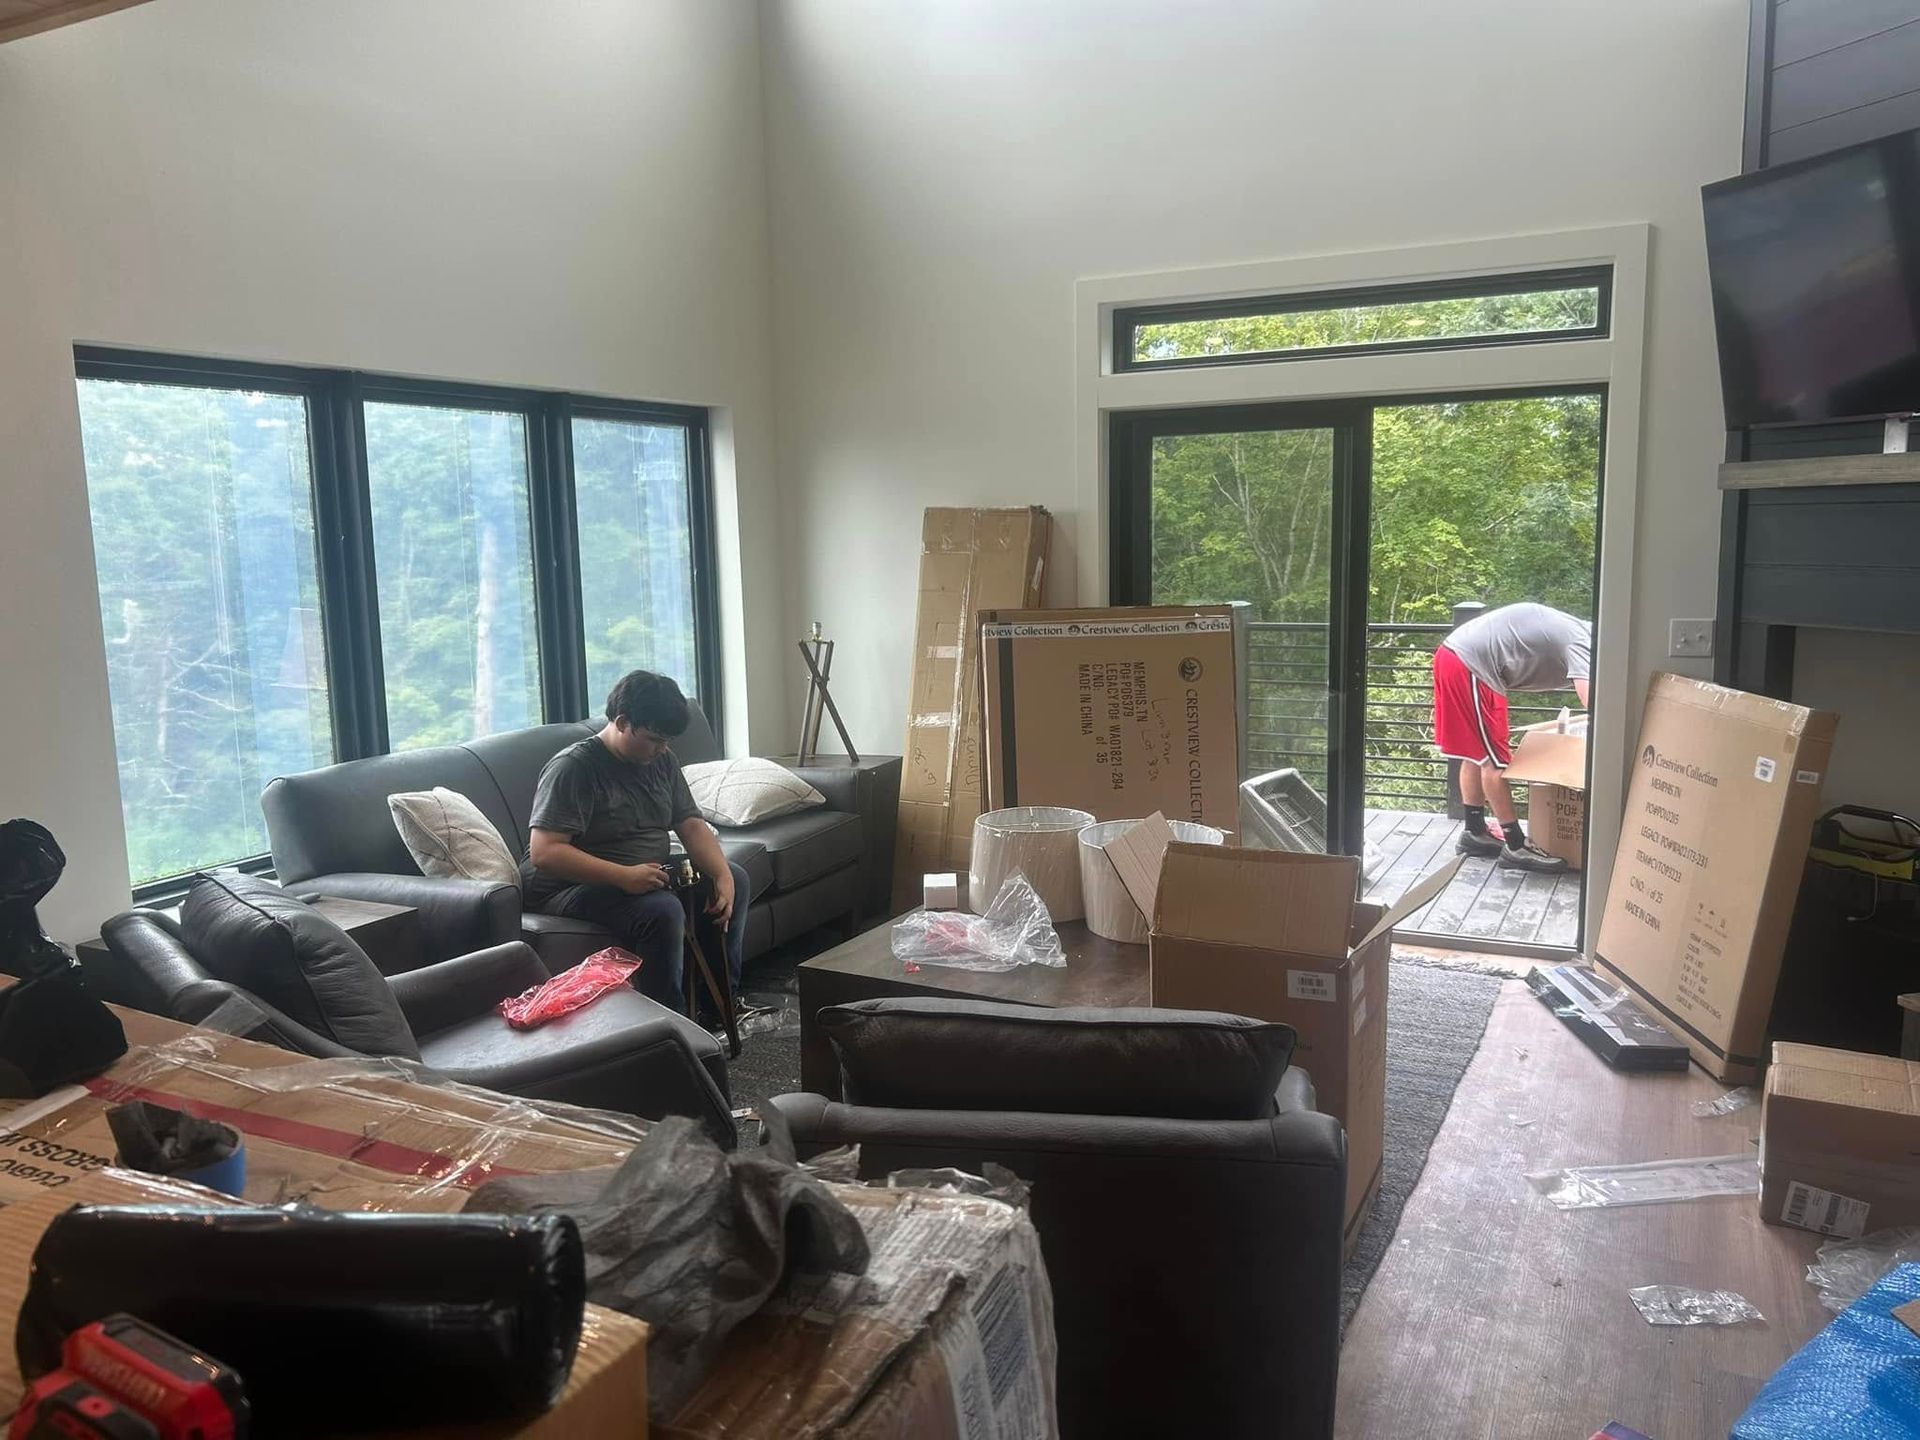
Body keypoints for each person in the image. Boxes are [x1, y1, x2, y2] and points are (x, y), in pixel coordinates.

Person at [520, 670, 751, 1019]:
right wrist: (622, 876)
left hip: (640, 873)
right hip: (569, 887)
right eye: (655, 739)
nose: (662, 749)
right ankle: (670, 1026)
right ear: (622, 721)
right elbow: (545, 852)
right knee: (661, 911)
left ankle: (721, 1007)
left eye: (668, 741)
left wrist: (722, 875)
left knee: (734, 877)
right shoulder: (574, 768)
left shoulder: (661, 760)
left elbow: (689, 822)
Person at [1431, 602, 1592, 874]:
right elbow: (1595, 705)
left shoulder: (1581, 631)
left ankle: (1474, 833)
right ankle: (1516, 846)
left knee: (1478, 754)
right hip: (1470, 663)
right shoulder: (1585, 644)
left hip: (1463, 658)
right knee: (1495, 763)